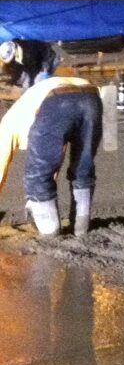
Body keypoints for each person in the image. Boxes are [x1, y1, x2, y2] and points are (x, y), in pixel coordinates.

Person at [0, 53, 102, 237]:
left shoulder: (6, 126)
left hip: (57, 101)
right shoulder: (27, 106)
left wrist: (37, 195)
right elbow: (56, 153)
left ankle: (51, 236)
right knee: (82, 168)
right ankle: (81, 230)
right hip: (92, 96)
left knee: (37, 178)